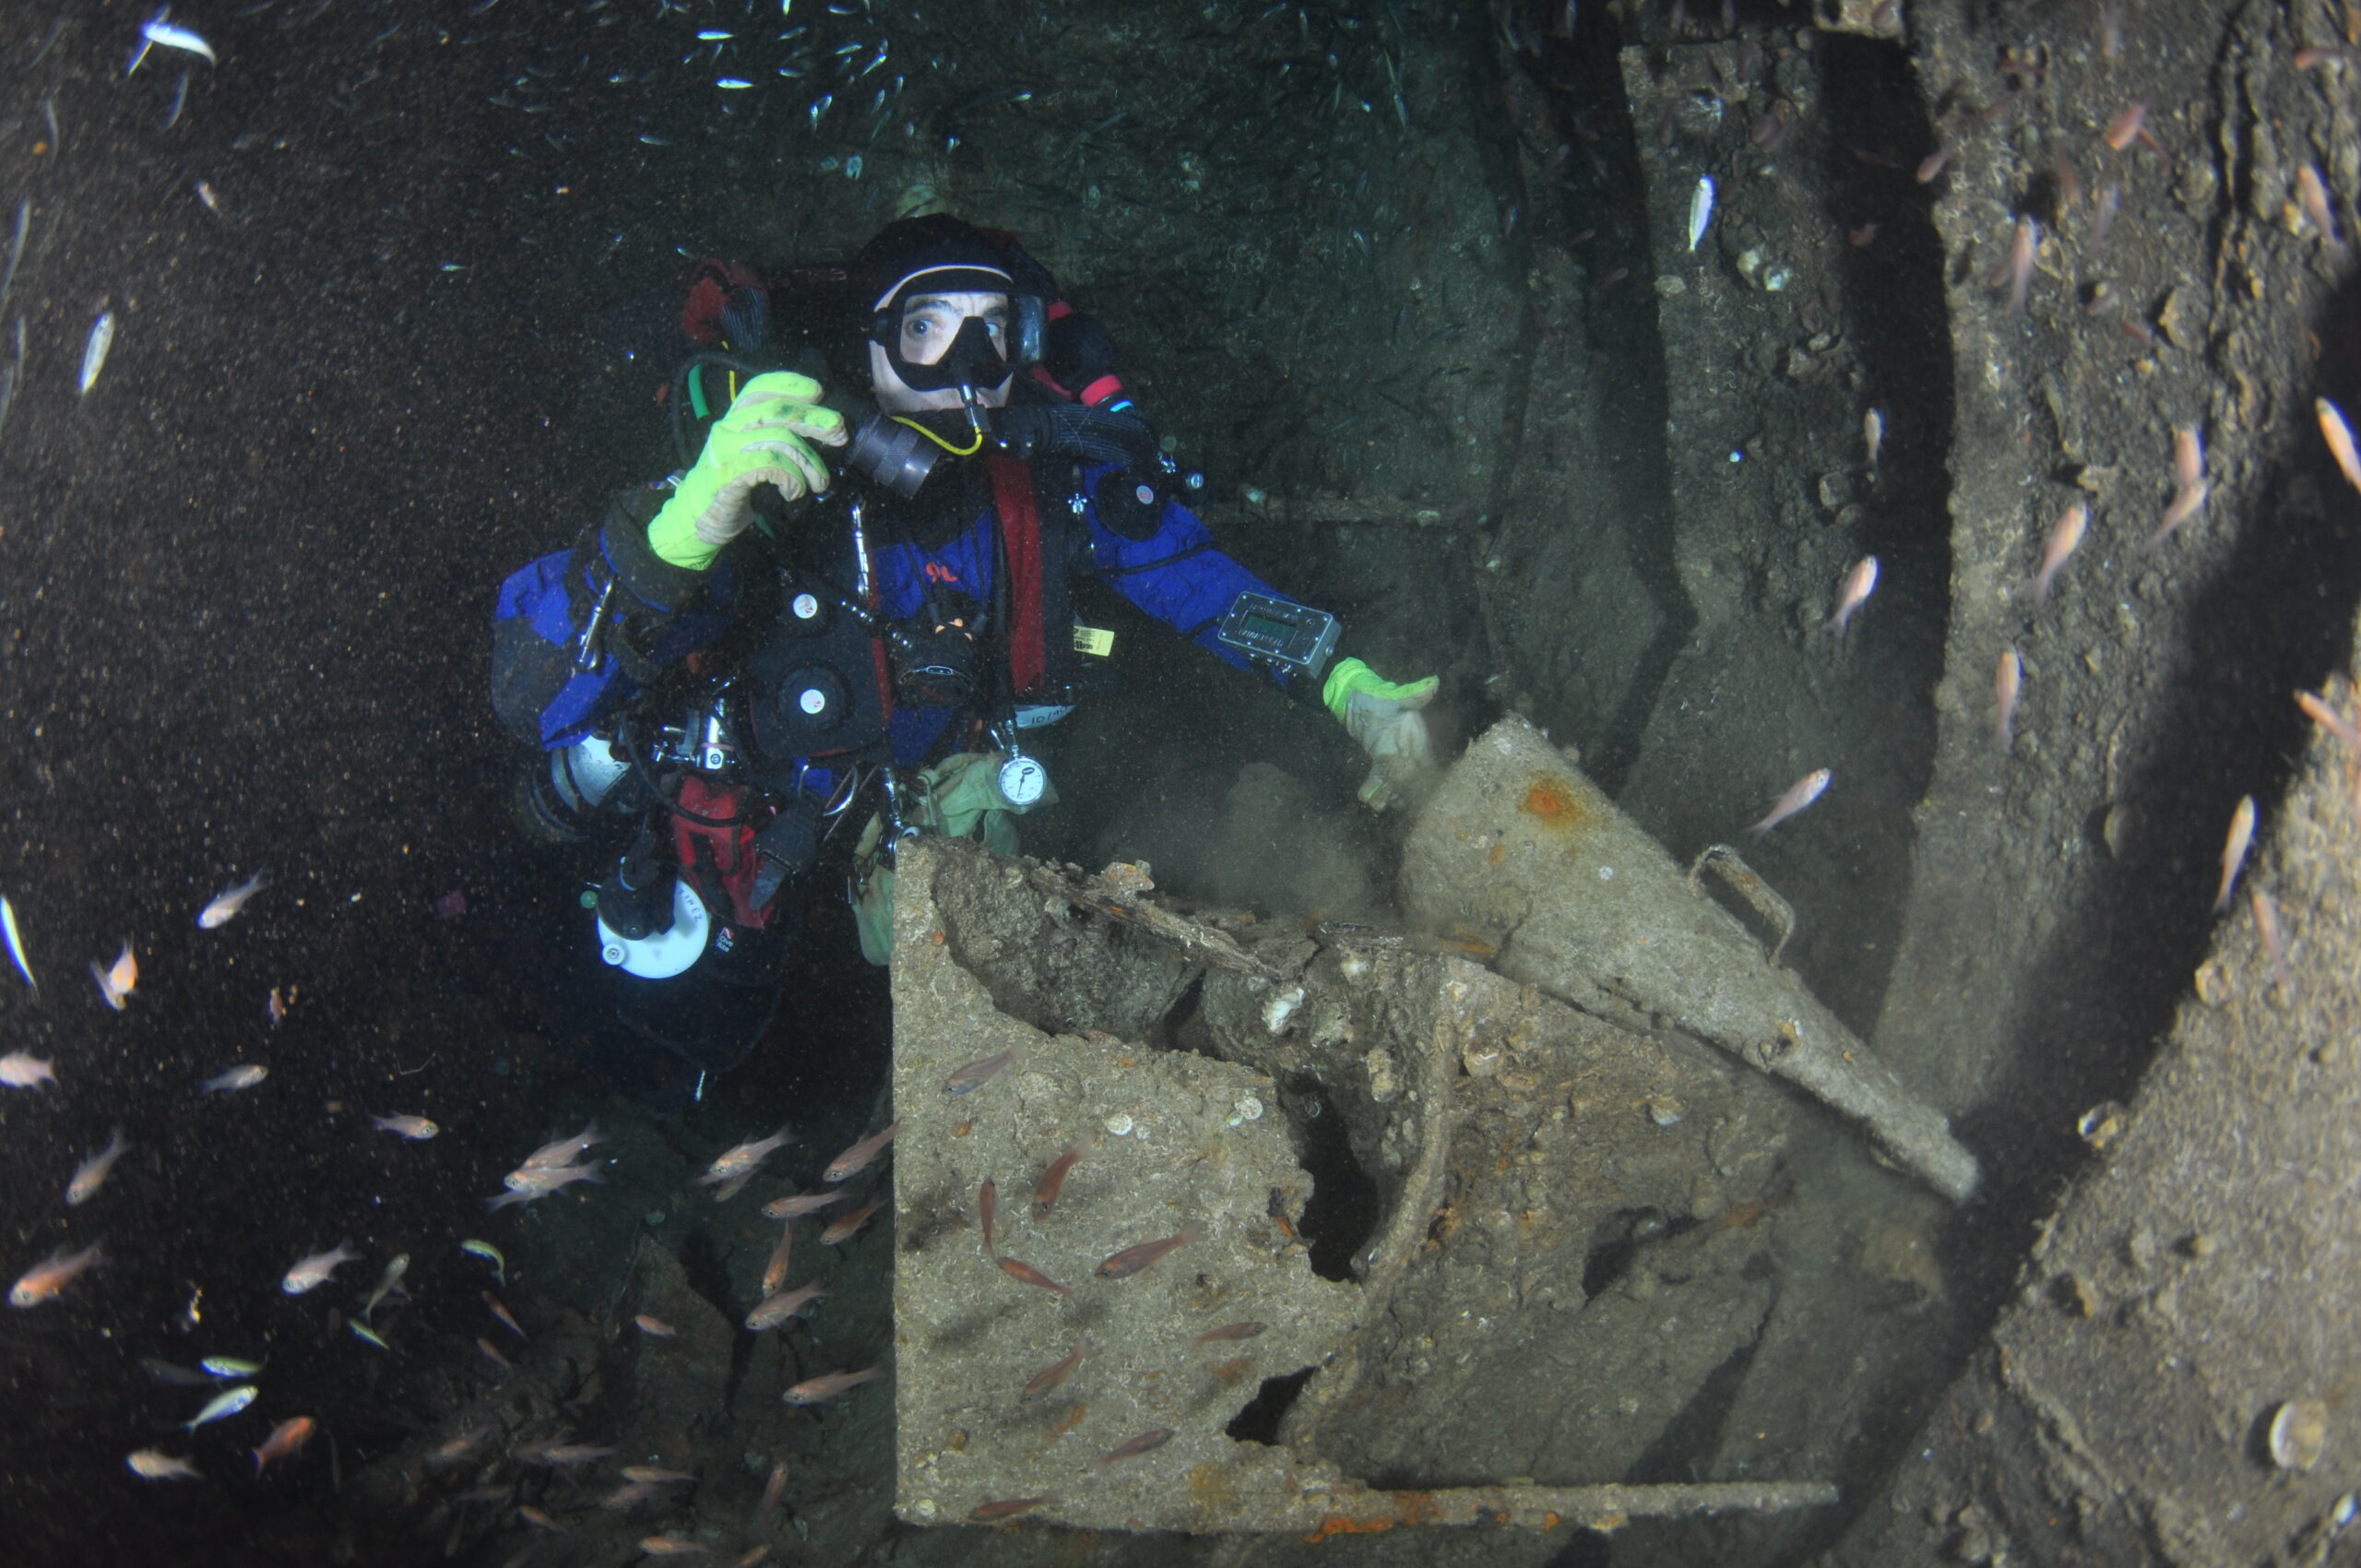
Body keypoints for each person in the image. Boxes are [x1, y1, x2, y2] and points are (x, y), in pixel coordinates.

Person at [490, 215, 1439, 1087]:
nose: (971, 361)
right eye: (928, 326)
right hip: (762, 810)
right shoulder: (774, 484)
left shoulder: (1049, 488)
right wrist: (672, 539)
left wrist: (1343, 680)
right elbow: (532, 701)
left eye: (998, 327)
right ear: (869, 345)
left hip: (922, 812)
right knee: (688, 1054)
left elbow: (1196, 579)